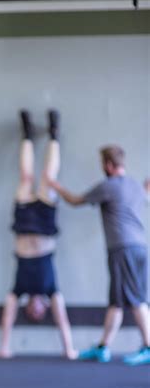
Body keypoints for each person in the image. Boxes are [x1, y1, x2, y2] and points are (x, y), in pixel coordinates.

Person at [51, 146, 149, 365]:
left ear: (108, 165)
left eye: (102, 163)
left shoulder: (109, 186)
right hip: (138, 247)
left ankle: (148, 346)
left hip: (124, 248)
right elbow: (145, 194)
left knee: (137, 299)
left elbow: (76, 201)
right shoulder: (135, 186)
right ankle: (103, 347)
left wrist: (55, 186)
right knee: (117, 301)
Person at [0, 110, 77, 359]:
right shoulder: (51, 290)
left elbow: (9, 312)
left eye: (31, 313)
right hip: (43, 227)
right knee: (47, 179)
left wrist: (4, 347)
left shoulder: (18, 290)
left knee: (26, 177)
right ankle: (54, 134)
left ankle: (27, 136)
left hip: (23, 226)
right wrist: (69, 349)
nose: (34, 310)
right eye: (39, 313)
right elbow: (62, 319)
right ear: (44, 308)